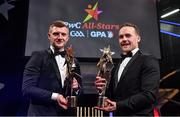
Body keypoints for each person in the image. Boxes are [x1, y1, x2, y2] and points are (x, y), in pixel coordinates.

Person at [95, 23, 160, 116]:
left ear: (138, 38)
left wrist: (118, 105)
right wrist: (103, 89)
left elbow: (149, 95)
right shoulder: (116, 65)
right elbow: (115, 96)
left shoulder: (148, 60)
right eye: (121, 37)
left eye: (128, 35)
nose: (124, 39)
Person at [22, 20, 81, 116]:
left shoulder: (74, 61)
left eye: (63, 34)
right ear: (49, 36)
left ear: (67, 38)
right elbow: (27, 89)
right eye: (56, 34)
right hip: (41, 113)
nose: (60, 37)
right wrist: (56, 96)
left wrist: (76, 88)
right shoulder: (38, 56)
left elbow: (80, 92)